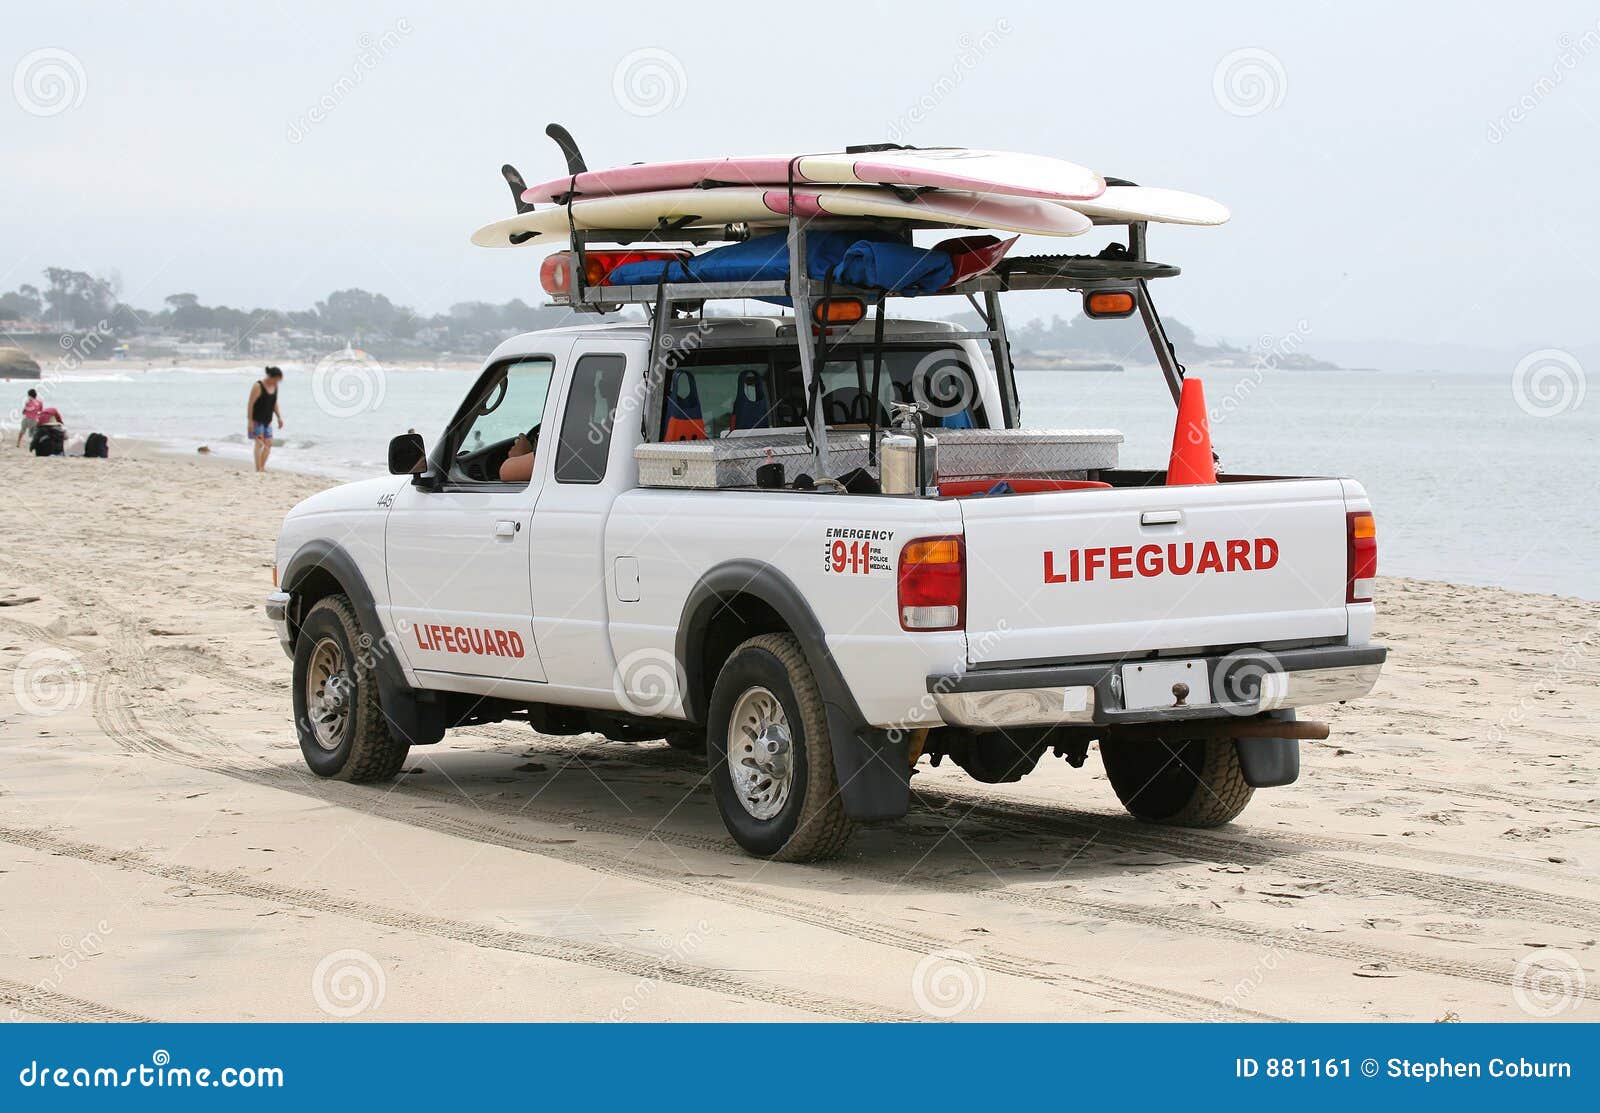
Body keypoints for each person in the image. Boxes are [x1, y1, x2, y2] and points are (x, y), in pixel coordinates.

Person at [247, 366, 284, 471]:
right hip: (256, 420)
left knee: (269, 443)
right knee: (259, 443)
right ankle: (258, 469)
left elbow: (274, 403)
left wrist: (279, 417)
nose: (277, 382)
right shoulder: (258, 386)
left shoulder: (275, 387)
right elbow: (250, 404)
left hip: (267, 421)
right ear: (271, 377)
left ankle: (262, 467)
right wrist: (250, 422)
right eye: (276, 380)